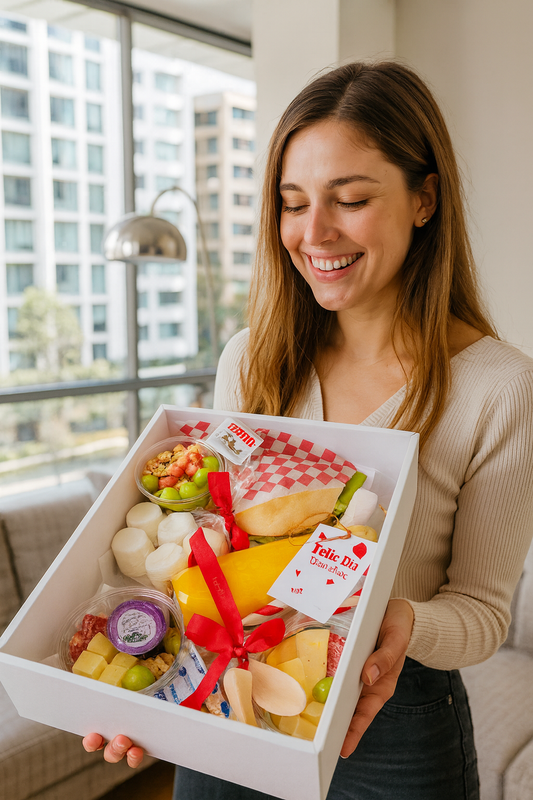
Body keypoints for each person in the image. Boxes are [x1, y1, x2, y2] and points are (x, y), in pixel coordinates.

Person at [83, 61, 533, 799]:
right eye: (292, 203)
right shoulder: (252, 359)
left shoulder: (499, 389)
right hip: (231, 696)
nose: (313, 232)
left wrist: (398, 623)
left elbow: (483, 612)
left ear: (424, 199)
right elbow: (208, 545)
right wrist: (146, 678)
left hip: (388, 722)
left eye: (349, 199)